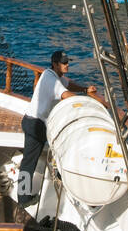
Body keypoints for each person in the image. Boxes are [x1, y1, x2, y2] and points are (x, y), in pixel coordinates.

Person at [18, 50, 97, 204]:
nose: (67, 65)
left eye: (68, 62)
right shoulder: (51, 80)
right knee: (28, 162)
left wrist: (84, 90)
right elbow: (65, 94)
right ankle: (23, 199)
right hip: (35, 124)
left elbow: (68, 84)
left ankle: (61, 176)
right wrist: (90, 103)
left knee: (39, 156)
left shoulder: (53, 75)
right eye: (64, 63)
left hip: (37, 122)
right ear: (55, 64)